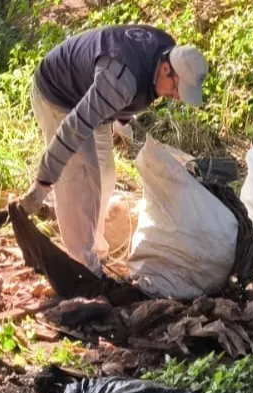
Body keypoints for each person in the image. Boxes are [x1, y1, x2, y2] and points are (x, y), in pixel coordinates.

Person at [14, 24, 208, 275]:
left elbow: (141, 89)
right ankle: (81, 268)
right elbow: (73, 128)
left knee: (104, 175)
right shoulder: (120, 82)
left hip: (94, 94)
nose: (177, 97)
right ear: (165, 69)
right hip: (58, 93)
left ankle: (97, 249)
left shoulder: (165, 49)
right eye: (176, 90)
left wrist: (121, 122)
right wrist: (43, 181)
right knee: (81, 177)